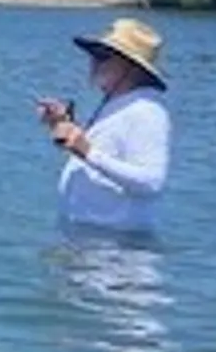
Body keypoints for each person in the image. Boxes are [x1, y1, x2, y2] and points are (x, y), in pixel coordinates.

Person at [36, 18, 169, 233]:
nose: (93, 61)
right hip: (88, 240)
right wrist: (63, 124)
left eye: (103, 56)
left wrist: (87, 152)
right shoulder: (117, 104)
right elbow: (101, 153)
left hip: (117, 250)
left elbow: (151, 183)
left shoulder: (146, 111)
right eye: (93, 54)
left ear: (132, 66)